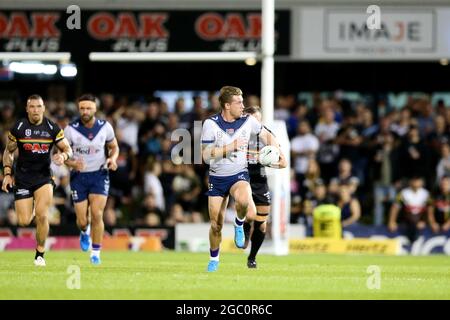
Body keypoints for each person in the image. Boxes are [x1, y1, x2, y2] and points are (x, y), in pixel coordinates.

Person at [201, 86, 281, 272]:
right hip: (217, 178)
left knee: (244, 200)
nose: (243, 106)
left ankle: (239, 223)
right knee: (215, 225)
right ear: (227, 105)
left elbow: (266, 134)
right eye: (239, 102)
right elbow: (205, 156)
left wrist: (276, 149)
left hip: (239, 174)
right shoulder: (210, 124)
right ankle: (214, 259)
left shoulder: (248, 121)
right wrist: (231, 147)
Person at [1, 94, 73, 266]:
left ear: (43, 108)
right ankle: (32, 206)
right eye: (31, 107)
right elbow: (8, 151)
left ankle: (40, 254)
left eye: (38, 106)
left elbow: (68, 149)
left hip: (44, 177)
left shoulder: (52, 128)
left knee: (42, 215)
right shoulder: (18, 127)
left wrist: (63, 155)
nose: (35, 110)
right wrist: (8, 174)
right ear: (27, 109)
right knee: (24, 221)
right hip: (23, 178)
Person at [64, 94, 119, 265]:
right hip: (79, 177)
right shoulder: (70, 129)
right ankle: (83, 231)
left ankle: (95, 252)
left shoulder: (105, 127)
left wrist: (113, 159)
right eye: (82, 108)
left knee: (96, 214)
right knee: (82, 220)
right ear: (78, 109)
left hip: (99, 175)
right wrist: (73, 164)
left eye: (88, 108)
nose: (85, 111)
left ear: (95, 108)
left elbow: (114, 147)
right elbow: (62, 156)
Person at [242, 105, 287, 268]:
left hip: (260, 181)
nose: (257, 124)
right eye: (254, 120)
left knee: (262, 224)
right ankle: (245, 227)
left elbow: (283, 163)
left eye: (259, 120)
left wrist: (267, 162)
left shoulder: (267, 134)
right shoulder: (237, 133)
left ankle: (252, 258)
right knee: (250, 214)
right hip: (242, 178)